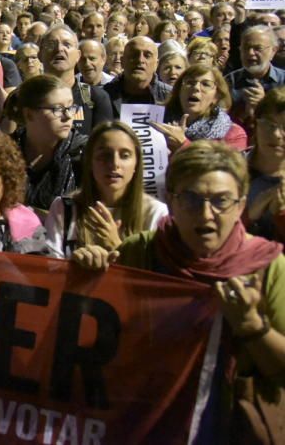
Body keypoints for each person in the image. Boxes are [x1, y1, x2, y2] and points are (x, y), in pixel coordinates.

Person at [72, 141, 285, 443]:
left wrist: (253, 327)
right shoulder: (142, 251)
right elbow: (92, 339)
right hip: (144, 425)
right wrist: (86, 278)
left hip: (227, 429)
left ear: (240, 205)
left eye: (221, 201)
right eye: (192, 199)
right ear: (171, 201)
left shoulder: (267, 266)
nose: (206, 214)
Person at [44, 121, 167, 258]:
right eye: (105, 155)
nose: (114, 164)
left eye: (125, 155)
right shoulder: (64, 208)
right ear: (90, 161)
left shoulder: (156, 213)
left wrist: (117, 246)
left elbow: (156, 275)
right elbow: (51, 269)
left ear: (136, 164)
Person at [8, 75, 87, 217]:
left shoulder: (84, 153)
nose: (68, 116)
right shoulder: (3, 152)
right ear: (29, 114)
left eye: (70, 107)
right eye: (58, 109)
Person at [150, 64, 248, 152]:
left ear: (216, 97)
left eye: (206, 84)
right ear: (179, 90)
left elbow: (227, 170)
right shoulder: (156, 122)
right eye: (190, 82)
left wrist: (183, 144)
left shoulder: (233, 134)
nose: (196, 88)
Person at [246, 87, 285, 242]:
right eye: (269, 124)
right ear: (256, 124)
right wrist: (248, 216)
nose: (276, 135)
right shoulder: (230, 169)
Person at [102, 36, 172, 117]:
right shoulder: (103, 96)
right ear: (122, 61)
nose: (140, 60)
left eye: (147, 55)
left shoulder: (171, 97)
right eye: (134, 55)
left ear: (156, 64)